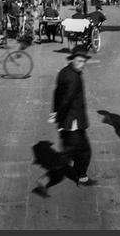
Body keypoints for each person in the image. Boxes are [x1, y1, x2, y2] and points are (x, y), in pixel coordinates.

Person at [33, 45, 98, 197]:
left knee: (74, 152)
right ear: (73, 59)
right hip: (72, 123)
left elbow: (57, 94)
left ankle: (81, 176)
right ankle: (47, 179)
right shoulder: (74, 78)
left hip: (68, 122)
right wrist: (61, 120)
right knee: (76, 153)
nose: (81, 64)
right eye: (79, 60)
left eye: (83, 61)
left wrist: (54, 112)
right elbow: (66, 101)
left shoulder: (64, 72)